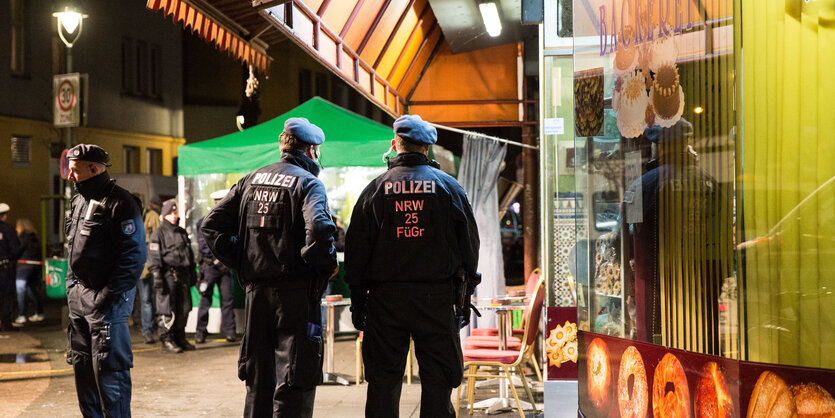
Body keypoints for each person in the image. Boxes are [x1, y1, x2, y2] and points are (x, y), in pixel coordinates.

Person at [344, 114, 480, 417]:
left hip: (384, 301)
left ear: (395, 145)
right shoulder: (449, 188)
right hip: (436, 300)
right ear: (427, 149)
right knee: (438, 380)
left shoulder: (374, 190)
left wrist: (357, 302)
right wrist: (465, 296)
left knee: (383, 382)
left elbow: (356, 251)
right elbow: (470, 246)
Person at [202, 117, 338, 417]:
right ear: (312, 151)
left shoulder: (251, 179)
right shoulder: (308, 183)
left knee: (258, 378)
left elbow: (210, 225)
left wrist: (243, 259)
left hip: (256, 294)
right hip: (295, 295)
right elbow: (318, 229)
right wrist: (324, 265)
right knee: (295, 376)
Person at [65, 144, 146, 417]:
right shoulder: (78, 202)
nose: (69, 176)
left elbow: (133, 258)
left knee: (110, 378)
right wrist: (72, 290)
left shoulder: (121, 202)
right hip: (80, 299)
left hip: (107, 304)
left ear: (93, 168)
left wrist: (105, 298)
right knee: (83, 372)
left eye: (74, 170)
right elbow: (72, 252)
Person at [148, 199, 196, 354]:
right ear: (164, 216)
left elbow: (189, 254)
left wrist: (193, 272)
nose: (173, 216)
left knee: (184, 307)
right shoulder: (158, 233)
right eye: (170, 214)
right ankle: (167, 339)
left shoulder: (182, 232)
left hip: (182, 275)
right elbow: (154, 255)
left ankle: (180, 337)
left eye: (174, 213)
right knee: (167, 308)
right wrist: (156, 274)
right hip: (167, 274)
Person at [194, 189, 237, 344]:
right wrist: (219, 260)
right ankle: (200, 332)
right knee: (205, 301)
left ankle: (230, 332)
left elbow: (234, 241)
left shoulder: (231, 221)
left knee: (227, 301)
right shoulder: (205, 221)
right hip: (211, 268)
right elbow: (204, 245)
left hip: (224, 267)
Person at [138, 197, 161, 344]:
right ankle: (146, 329)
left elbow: (157, 240)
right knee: (145, 299)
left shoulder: (151, 217)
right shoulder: (132, 216)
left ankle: (149, 330)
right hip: (136, 267)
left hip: (148, 266)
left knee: (148, 299)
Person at [14, 218, 43, 324]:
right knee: (32, 290)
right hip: (35, 266)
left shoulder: (22, 237)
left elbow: (18, 250)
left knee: (20, 290)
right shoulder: (34, 237)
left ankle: (21, 314)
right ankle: (39, 313)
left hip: (23, 267)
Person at [0, 203, 21, 332]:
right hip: (4, 267)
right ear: (5, 216)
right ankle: (6, 323)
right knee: (7, 295)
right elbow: (15, 250)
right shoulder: (8, 229)